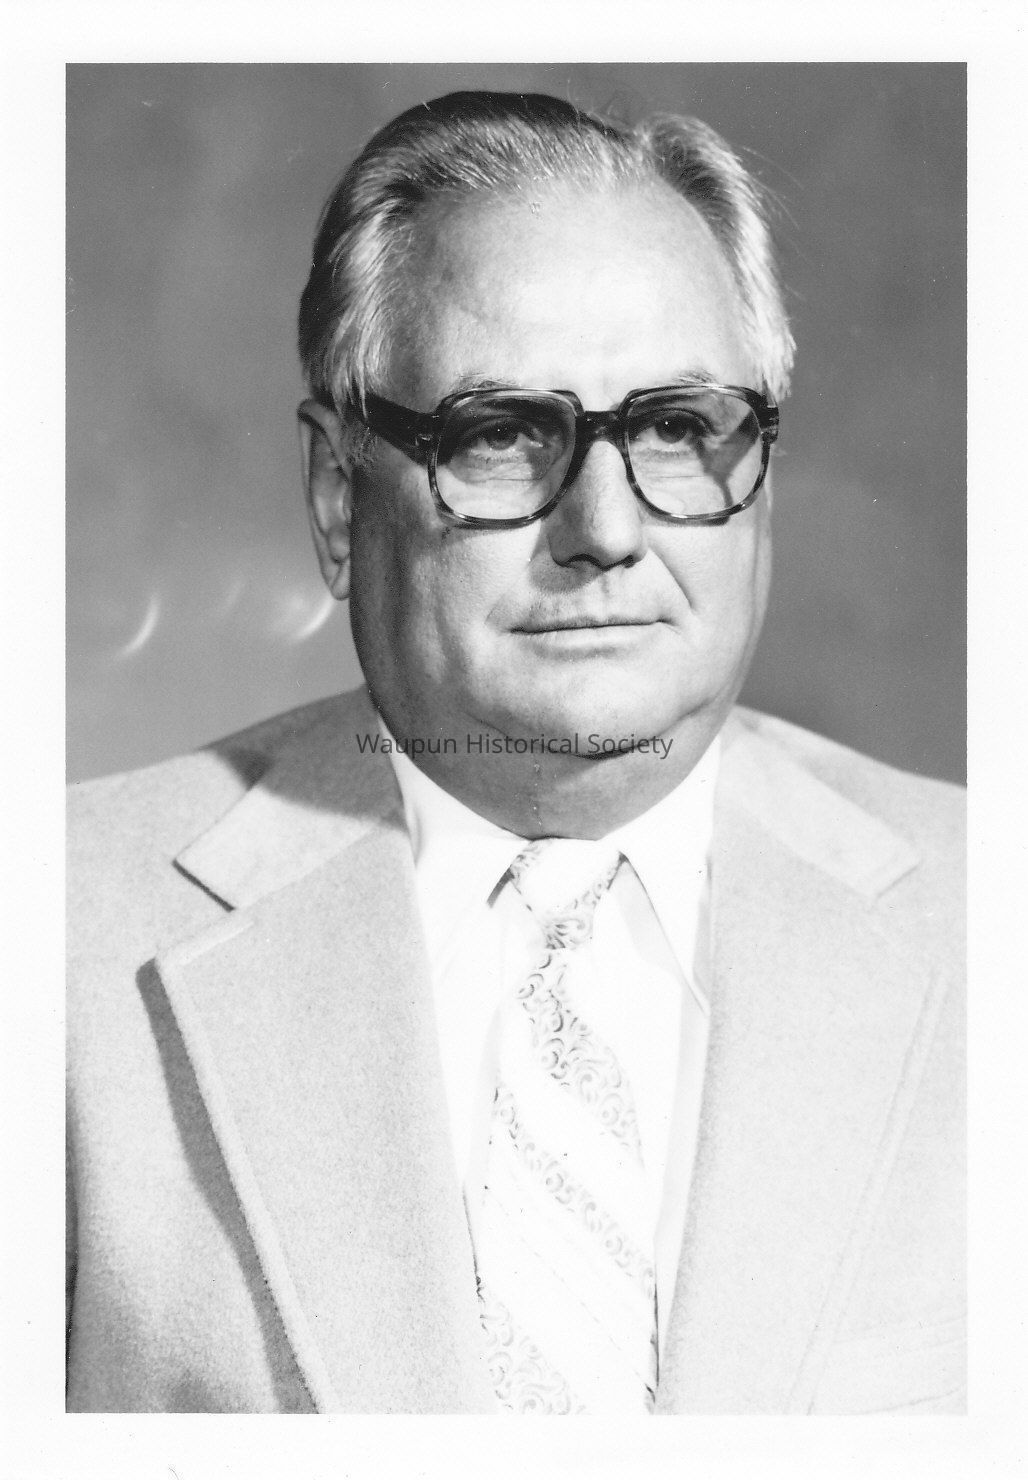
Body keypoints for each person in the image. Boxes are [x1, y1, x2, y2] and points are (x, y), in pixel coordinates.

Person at [66, 90, 965, 1415]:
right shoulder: (56, 931)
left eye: (677, 427)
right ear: (339, 500)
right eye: (499, 435)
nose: (605, 528)